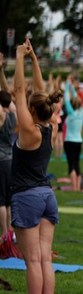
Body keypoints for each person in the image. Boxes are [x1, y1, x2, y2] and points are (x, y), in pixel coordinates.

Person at [11, 38, 61, 294]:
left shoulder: (29, 131)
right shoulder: (49, 128)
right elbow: (39, 94)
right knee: (45, 259)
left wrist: (19, 57)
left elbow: (19, 90)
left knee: (33, 261)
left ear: (32, 110)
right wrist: (34, 60)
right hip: (47, 196)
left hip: (27, 197)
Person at [0, 64, 16, 236]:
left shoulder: (2, 115)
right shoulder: (13, 113)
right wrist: (1, 72)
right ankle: (10, 232)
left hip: (1, 159)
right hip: (11, 159)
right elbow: (6, 93)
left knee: (1, 200)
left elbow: (4, 95)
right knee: (9, 200)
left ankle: (4, 234)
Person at [63, 75, 83, 191]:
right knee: (77, 163)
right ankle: (78, 187)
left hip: (69, 141)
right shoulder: (80, 113)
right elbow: (76, 98)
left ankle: (74, 187)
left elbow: (66, 99)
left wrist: (67, 85)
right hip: (78, 141)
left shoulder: (71, 113)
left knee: (71, 164)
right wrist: (72, 88)